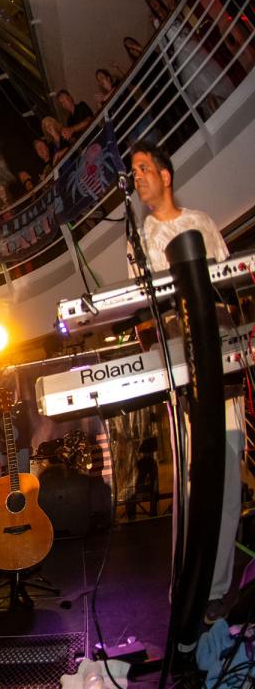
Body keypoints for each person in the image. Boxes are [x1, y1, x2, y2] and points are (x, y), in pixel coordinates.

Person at [131, 139, 237, 624]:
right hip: (183, 364)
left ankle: (217, 587)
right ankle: (187, 584)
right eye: (133, 171)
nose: (137, 177)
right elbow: (148, 307)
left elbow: (227, 284)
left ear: (166, 175)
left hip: (220, 357)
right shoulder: (140, 240)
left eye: (143, 168)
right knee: (193, 477)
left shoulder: (201, 222)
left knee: (228, 472)